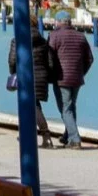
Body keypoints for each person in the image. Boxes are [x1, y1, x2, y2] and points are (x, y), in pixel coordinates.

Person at [7, 11, 58, 145]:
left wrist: (13, 74)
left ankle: (45, 134)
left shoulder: (17, 39)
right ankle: (27, 134)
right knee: (33, 105)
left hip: (25, 77)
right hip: (41, 77)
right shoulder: (42, 41)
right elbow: (50, 63)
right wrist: (47, 77)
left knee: (32, 106)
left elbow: (12, 60)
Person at [47, 8, 94, 147]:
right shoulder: (81, 36)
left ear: (58, 22)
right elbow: (90, 59)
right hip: (77, 78)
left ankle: (75, 139)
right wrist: (81, 72)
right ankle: (67, 135)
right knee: (71, 106)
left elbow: (49, 57)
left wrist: (50, 74)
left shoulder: (54, 36)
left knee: (65, 109)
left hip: (61, 78)